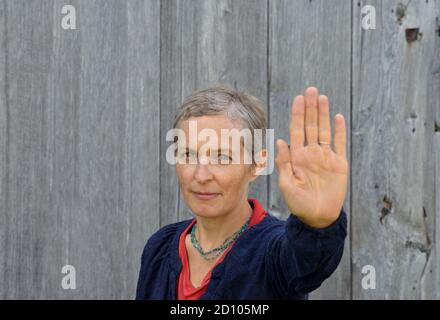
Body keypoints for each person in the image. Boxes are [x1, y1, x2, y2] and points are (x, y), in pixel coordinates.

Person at [136, 85, 348, 299]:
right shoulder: (159, 248)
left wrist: (317, 225)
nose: (201, 176)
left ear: (257, 164)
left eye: (222, 158)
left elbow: (307, 261)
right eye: (188, 155)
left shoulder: (273, 253)